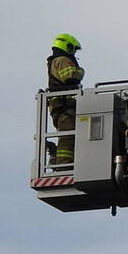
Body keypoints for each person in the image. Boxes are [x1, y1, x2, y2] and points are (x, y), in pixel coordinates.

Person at [46, 33, 84, 166]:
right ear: (67, 47)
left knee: (71, 136)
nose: (74, 53)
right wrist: (80, 71)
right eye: (73, 49)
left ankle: (62, 161)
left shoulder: (57, 60)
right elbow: (70, 77)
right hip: (64, 107)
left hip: (62, 106)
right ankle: (63, 165)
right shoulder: (62, 60)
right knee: (68, 137)